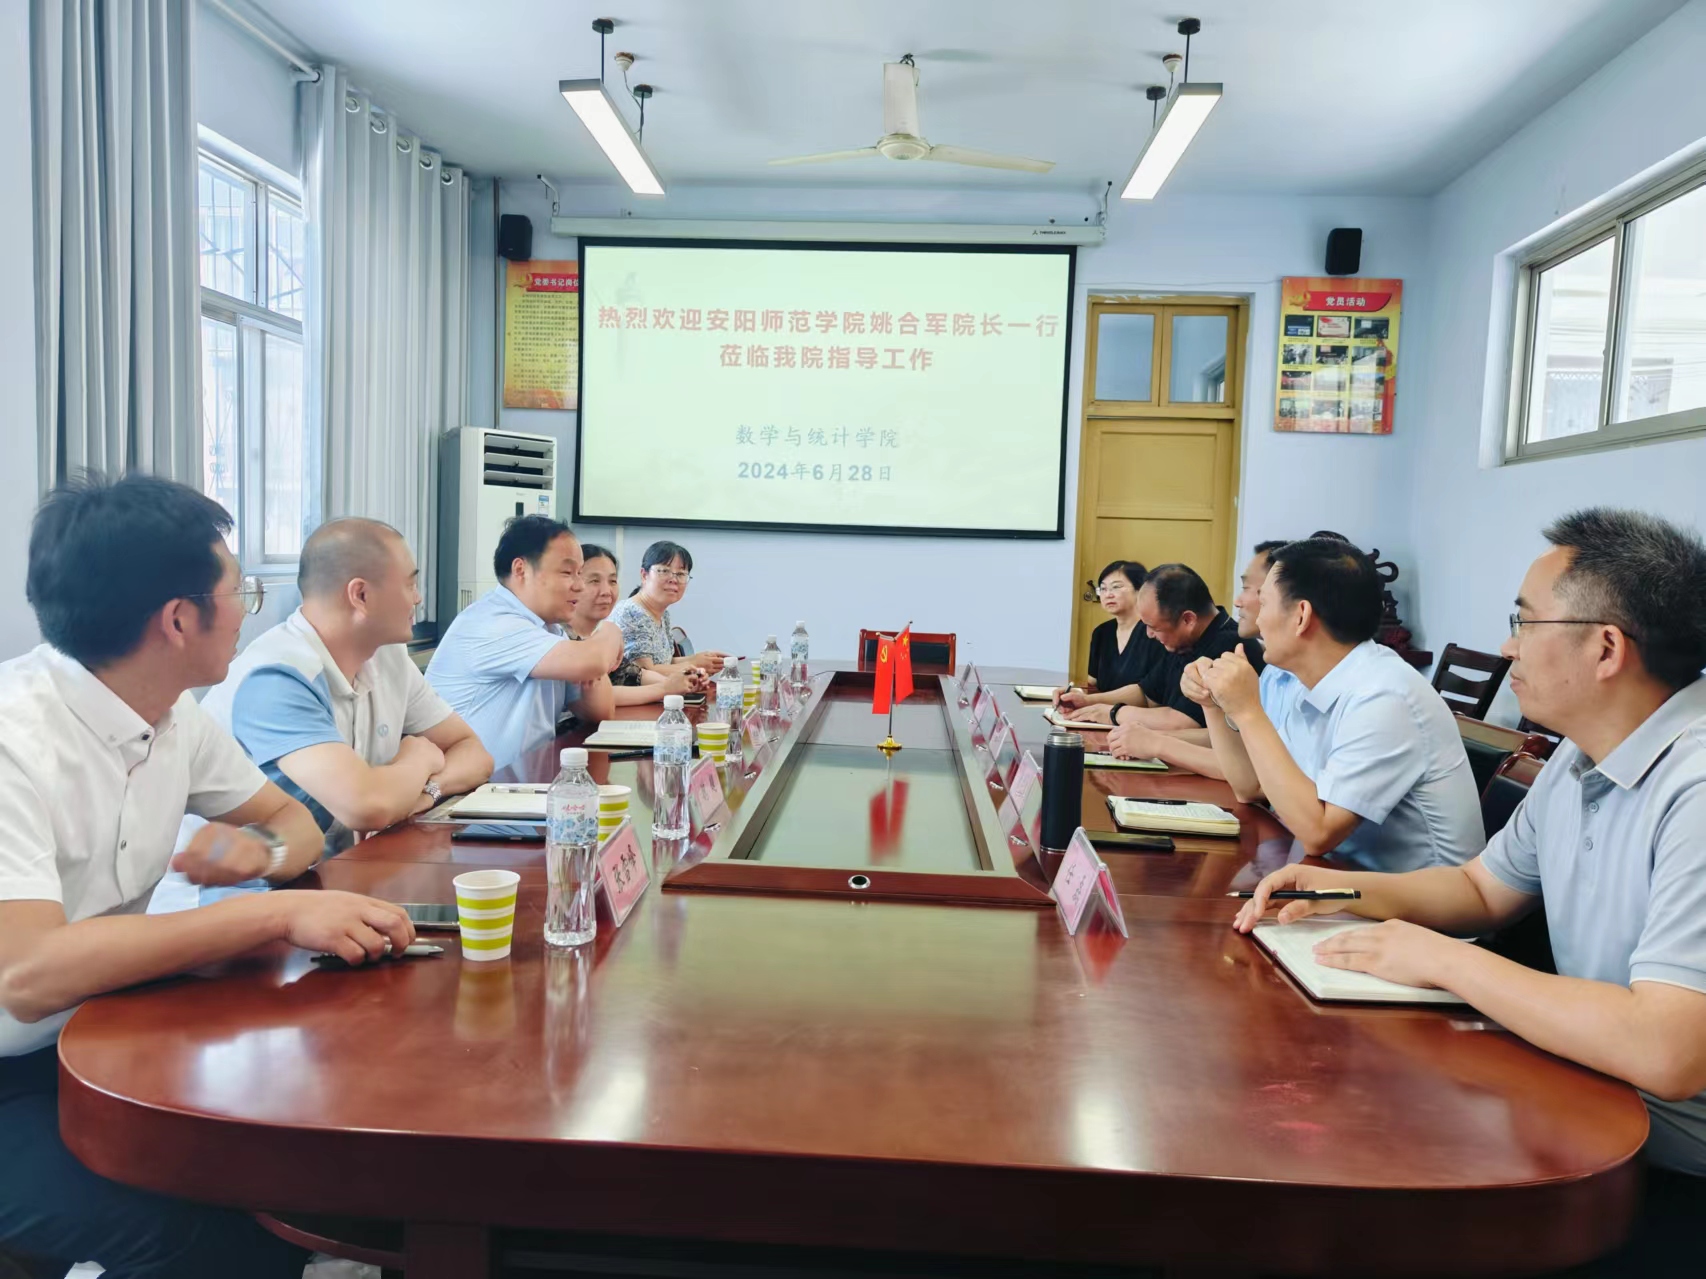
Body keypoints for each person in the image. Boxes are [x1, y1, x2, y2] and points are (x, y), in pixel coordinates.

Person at [1233, 509, 1706, 1275]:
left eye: (1524, 621)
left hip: (1661, 1171)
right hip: (1588, 1104)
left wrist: (1443, 960)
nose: (1509, 646)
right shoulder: (1580, 755)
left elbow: (1668, 1048)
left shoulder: (1696, 783)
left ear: (1606, 647)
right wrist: (1343, 889)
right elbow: (1481, 889)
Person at [0, 474, 414, 1276]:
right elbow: (26, 974)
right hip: (17, 1067)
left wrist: (259, 853)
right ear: (179, 619)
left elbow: (294, 822)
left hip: (105, 1031)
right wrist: (269, 913)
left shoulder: (173, 713)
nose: (249, 612)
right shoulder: (16, 740)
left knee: (312, 1159)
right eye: (240, 592)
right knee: (222, 1236)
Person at [201, 518, 493, 854]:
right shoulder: (276, 676)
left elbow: (473, 752)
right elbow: (366, 806)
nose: (417, 598)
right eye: (410, 585)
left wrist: (426, 792)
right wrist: (420, 757)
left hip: (335, 869)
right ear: (361, 595)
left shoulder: (387, 656)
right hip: (242, 880)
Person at [1192, 537, 1482, 870]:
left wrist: (1248, 710)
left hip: (1415, 899)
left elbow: (1319, 833)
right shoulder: (1308, 682)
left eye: (1265, 603)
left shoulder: (1384, 695)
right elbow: (1251, 787)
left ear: (1301, 616)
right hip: (1340, 877)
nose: (1258, 620)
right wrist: (1213, 704)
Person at [427, 516, 620, 772]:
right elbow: (594, 661)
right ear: (521, 570)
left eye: (579, 574)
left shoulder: (548, 629)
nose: (579, 586)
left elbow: (600, 711)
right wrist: (611, 630)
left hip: (519, 783)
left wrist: (592, 659)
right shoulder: (493, 623)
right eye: (567, 572)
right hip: (470, 788)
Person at [1105, 540, 1289, 776]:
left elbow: (1250, 775)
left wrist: (1151, 739)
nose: (1237, 601)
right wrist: (1149, 738)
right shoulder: (1275, 673)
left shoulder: (1233, 648)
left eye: (1254, 592)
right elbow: (1234, 745)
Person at [1061, 563, 1242, 731]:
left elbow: (1184, 721)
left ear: (1188, 620)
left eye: (1154, 628)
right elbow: (1146, 694)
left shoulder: (1229, 646)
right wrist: (1087, 701)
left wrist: (1112, 713)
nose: (1149, 634)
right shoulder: (1183, 641)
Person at [572, 545, 711, 706]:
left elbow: (633, 673)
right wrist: (666, 687)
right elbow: (597, 696)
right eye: (594, 581)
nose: (606, 591)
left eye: (612, 581)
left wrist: (684, 681)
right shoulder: (561, 637)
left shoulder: (601, 633)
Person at [1050, 561, 1165, 712]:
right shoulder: (1102, 632)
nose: (1108, 594)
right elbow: (1093, 684)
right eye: (1103, 588)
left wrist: (1091, 701)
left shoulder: (1155, 632)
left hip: (1139, 717)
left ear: (1140, 590)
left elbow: (1153, 695)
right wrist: (1073, 694)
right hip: (1101, 713)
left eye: (1116, 587)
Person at [608, 541, 727, 677]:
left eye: (681, 574)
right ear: (644, 575)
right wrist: (694, 665)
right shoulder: (633, 613)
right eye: (664, 571)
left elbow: (666, 662)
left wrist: (702, 658)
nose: (673, 579)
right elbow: (644, 672)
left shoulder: (663, 614)